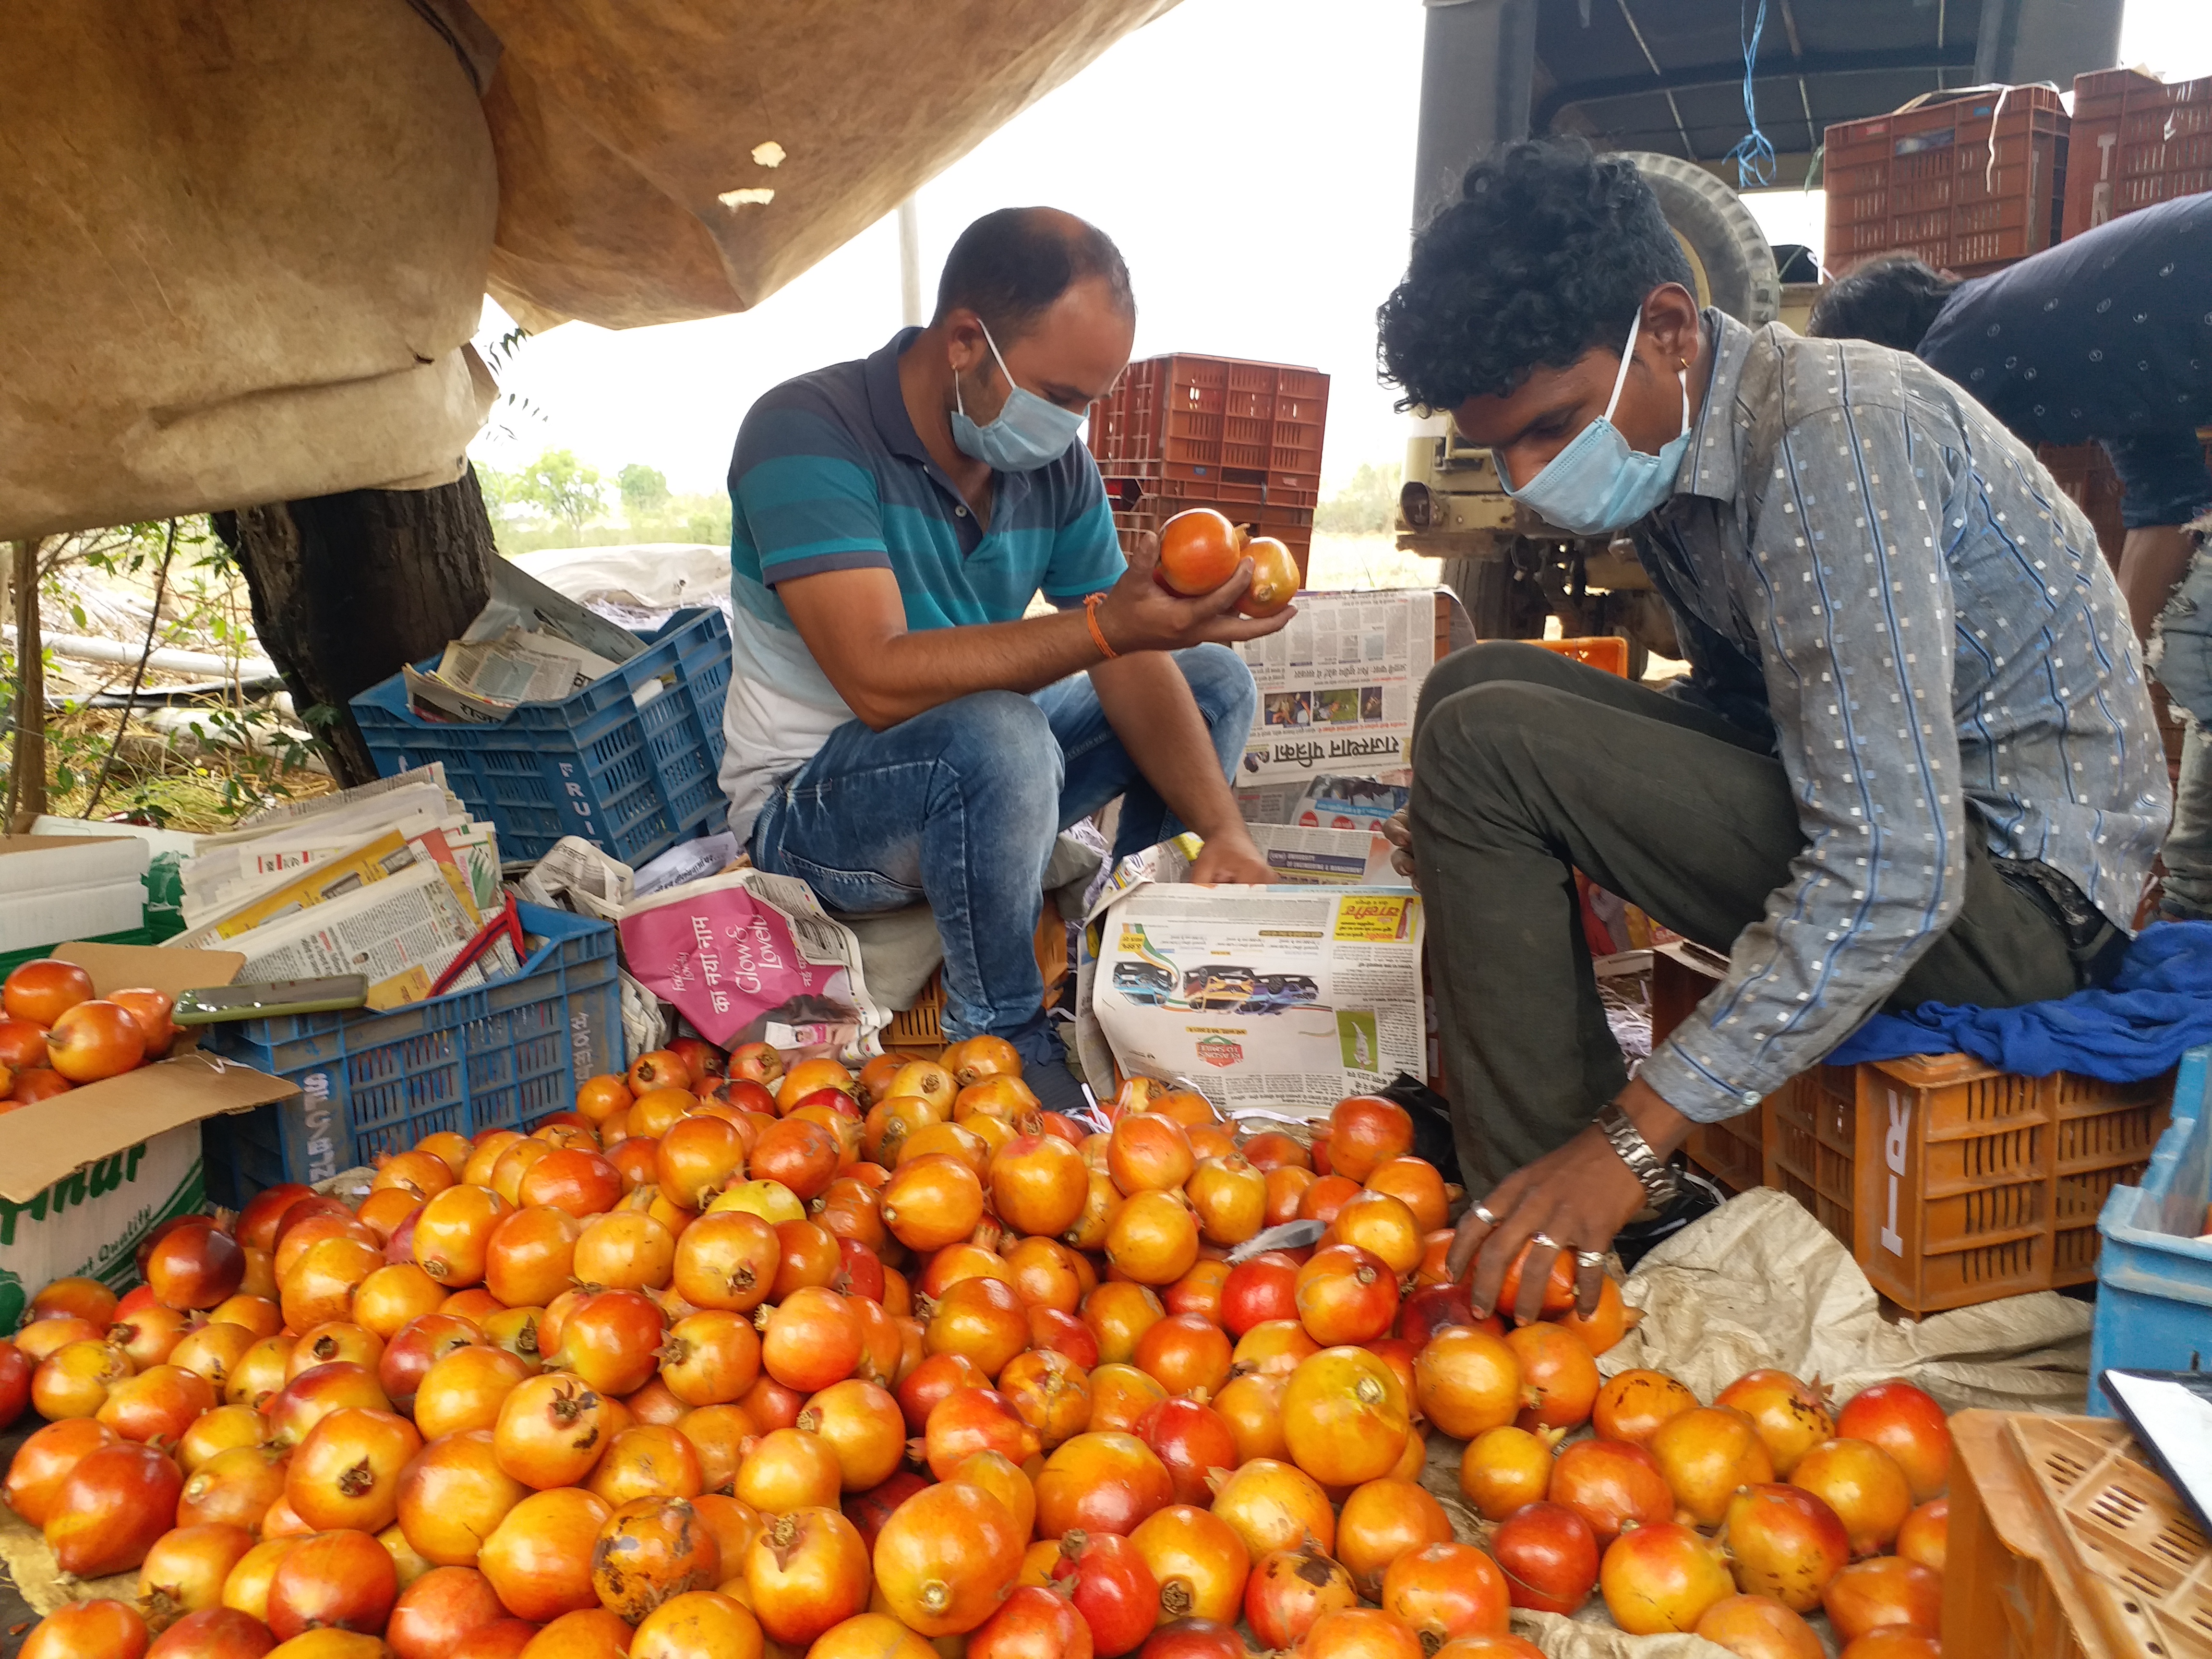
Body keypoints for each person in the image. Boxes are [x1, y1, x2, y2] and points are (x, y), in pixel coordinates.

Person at [1373, 137, 2168, 1323]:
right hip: (1933, 847)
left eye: (1553, 426)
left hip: (2015, 910)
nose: (1530, 477)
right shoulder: (1688, 451)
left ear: (1671, 329)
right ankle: (1552, 1181)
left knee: (1491, 746)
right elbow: (1755, 712)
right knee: (1471, 695)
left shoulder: (1834, 436)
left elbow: (1895, 864)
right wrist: (1562, 802)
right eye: (1501, 447)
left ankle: (1560, 1231)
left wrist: (1636, 1140)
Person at [718, 207, 1287, 1101]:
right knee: (999, 733)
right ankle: (1005, 1039)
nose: (1073, 425)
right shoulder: (804, 433)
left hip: (974, 766)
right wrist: (1107, 628)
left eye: (1091, 401)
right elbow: (875, 678)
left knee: (1209, 680)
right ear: (964, 343)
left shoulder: (1055, 469)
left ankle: (1120, 960)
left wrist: (1224, 830)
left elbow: (1127, 656)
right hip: (813, 808)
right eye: (1059, 396)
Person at [1807, 199, 2212, 916]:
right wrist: (2114, 691)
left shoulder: (1948, 354)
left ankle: (2194, 910)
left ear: (1874, 359)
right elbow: (2168, 511)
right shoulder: (2086, 347)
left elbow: (1891, 554)